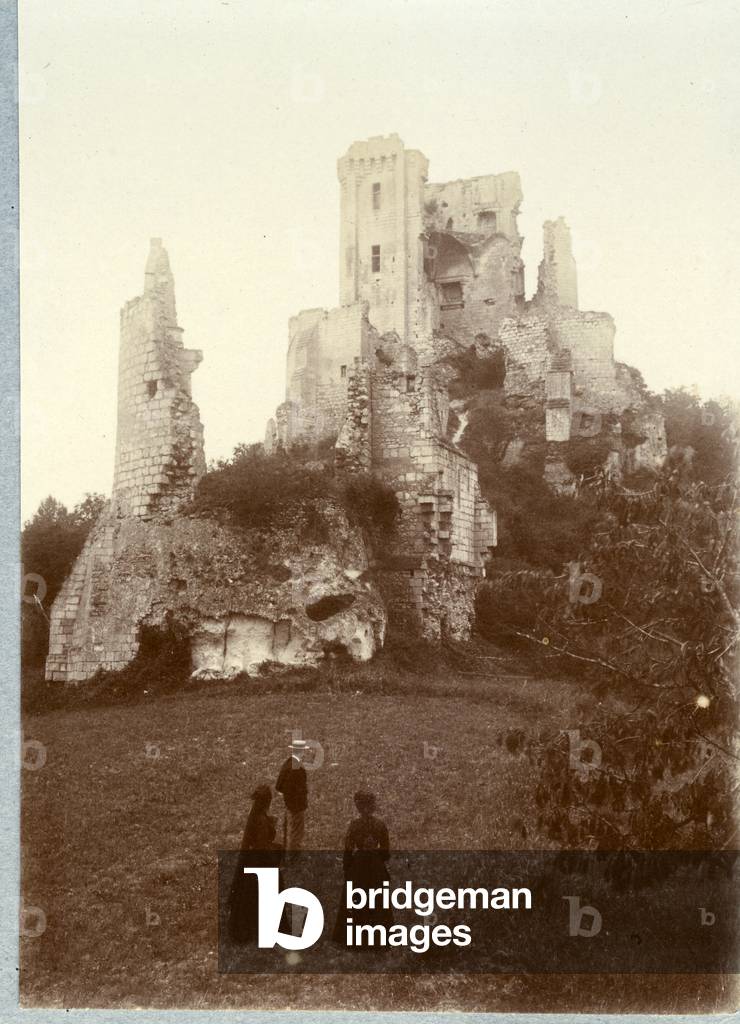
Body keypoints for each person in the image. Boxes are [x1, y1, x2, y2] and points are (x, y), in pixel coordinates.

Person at [332, 790, 393, 944]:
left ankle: (354, 937)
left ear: (358, 806)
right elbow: (386, 853)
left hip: (358, 868)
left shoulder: (354, 826)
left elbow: (347, 851)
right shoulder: (380, 825)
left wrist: (348, 869)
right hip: (376, 867)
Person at [227, 783, 283, 943]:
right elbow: (262, 846)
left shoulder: (256, 816)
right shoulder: (260, 820)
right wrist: (277, 851)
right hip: (260, 862)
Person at [275, 738, 308, 854]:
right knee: (296, 831)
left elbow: (278, 785)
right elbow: (300, 789)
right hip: (296, 805)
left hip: (289, 803)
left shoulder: (288, 763)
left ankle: (289, 852)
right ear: (302, 752)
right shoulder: (297, 768)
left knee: (290, 829)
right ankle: (294, 856)